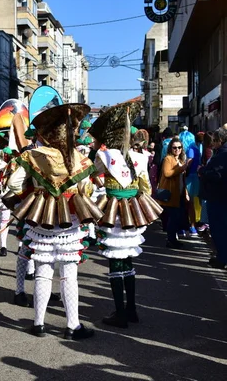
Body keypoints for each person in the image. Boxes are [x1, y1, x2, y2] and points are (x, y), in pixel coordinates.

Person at [5, 102, 96, 340]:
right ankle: (72, 326)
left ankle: (38, 323)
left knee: (43, 271)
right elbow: (88, 189)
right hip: (70, 219)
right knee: (68, 274)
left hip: (41, 217)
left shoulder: (32, 155)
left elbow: (13, 184)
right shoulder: (78, 157)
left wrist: (33, 195)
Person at [88, 102, 158, 328]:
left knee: (115, 261)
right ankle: (131, 310)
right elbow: (146, 188)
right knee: (127, 260)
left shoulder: (106, 156)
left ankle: (120, 313)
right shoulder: (141, 157)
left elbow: (92, 173)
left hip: (113, 211)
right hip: (132, 210)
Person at [199, 126, 227, 269]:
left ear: (220, 140)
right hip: (220, 197)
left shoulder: (222, 154)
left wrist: (202, 171)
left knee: (219, 229)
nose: (213, 143)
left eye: (215, 140)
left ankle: (222, 258)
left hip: (218, 198)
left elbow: (216, 175)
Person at [158, 137, 189, 248]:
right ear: (170, 148)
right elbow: (167, 173)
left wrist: (185, 192)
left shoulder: (180, 160)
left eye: (179, 147)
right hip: (171, 194)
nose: (177, 149)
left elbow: (182, 179)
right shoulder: (168, 159)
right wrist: (182, 168)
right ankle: (171, 240)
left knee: (177, 217)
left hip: (179, 193)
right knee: (173, 218)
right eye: (174, 147)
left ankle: (173, 239)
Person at [180, 129, 201, 237]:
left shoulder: (190, 149)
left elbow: (190, 160)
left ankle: (189, 226)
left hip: (189, 178)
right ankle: (192, 226)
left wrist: (183, 168)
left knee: (186, 203)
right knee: (191, 202)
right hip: (195, 177)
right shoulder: (196, 148)